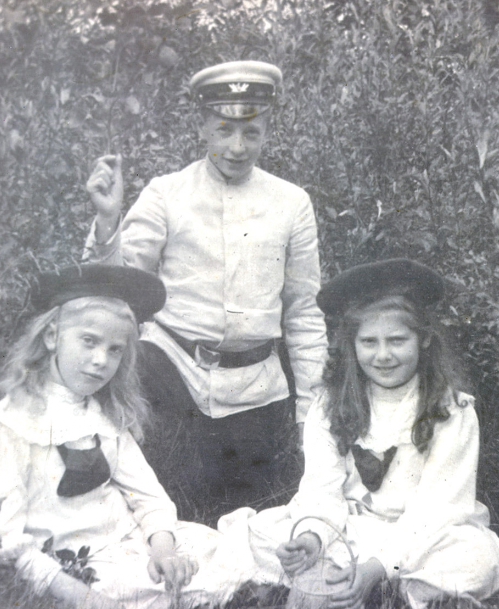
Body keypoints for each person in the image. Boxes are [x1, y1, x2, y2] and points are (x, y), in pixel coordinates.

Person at [81, 61, 327, 524]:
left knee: (259, 525)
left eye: (251, 132)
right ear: (202, 127)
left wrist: (309, 413)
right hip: (173, 380)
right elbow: (115, 291)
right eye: (224, 130)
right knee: (173, 516)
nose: (237, 147)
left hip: (257, 389)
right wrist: (108, 220)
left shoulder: (292, 203)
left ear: (267, 130)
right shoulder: (165, 194)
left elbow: (304, 312)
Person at [229, 259, 499, 609]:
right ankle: (370, 585)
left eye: (397, 340)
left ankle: (379, 583)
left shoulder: (452, 410)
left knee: (475, 556)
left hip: (421, 534)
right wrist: (311, 538)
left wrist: (378, 566)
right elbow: (322, 491)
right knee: (259, 533)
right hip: (348, 527)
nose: (383, 355)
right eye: (369, 342)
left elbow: (438, 509)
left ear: (423, 339)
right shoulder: (329, 405)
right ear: (352, 343)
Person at [0, 264, 244, 609]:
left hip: (128, 542)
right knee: (155, 587)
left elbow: (148, 496)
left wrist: (163, 550)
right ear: (52, 336)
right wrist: (78, 595)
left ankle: (222, 583)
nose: (101, 360)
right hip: (74, 567)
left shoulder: (103, 416)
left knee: (221, 547)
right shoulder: (8, 424)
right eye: (89, 341)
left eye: (115, 350)